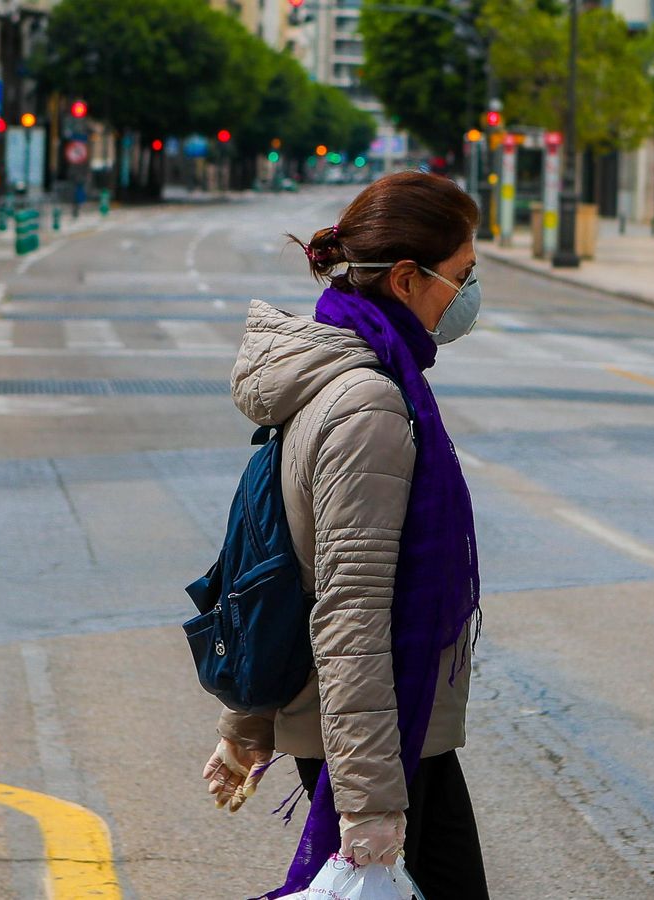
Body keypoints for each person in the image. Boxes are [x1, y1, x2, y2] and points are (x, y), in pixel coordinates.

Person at [202, 171, 490, 899]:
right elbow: (350, 608)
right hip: (379, 735)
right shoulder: (368, 403)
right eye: (462, 275)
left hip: (389, 729)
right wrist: (368, 804)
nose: (469, 295)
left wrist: (247, 719)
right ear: (405, 278)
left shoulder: (333, 368)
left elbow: (273, 554)